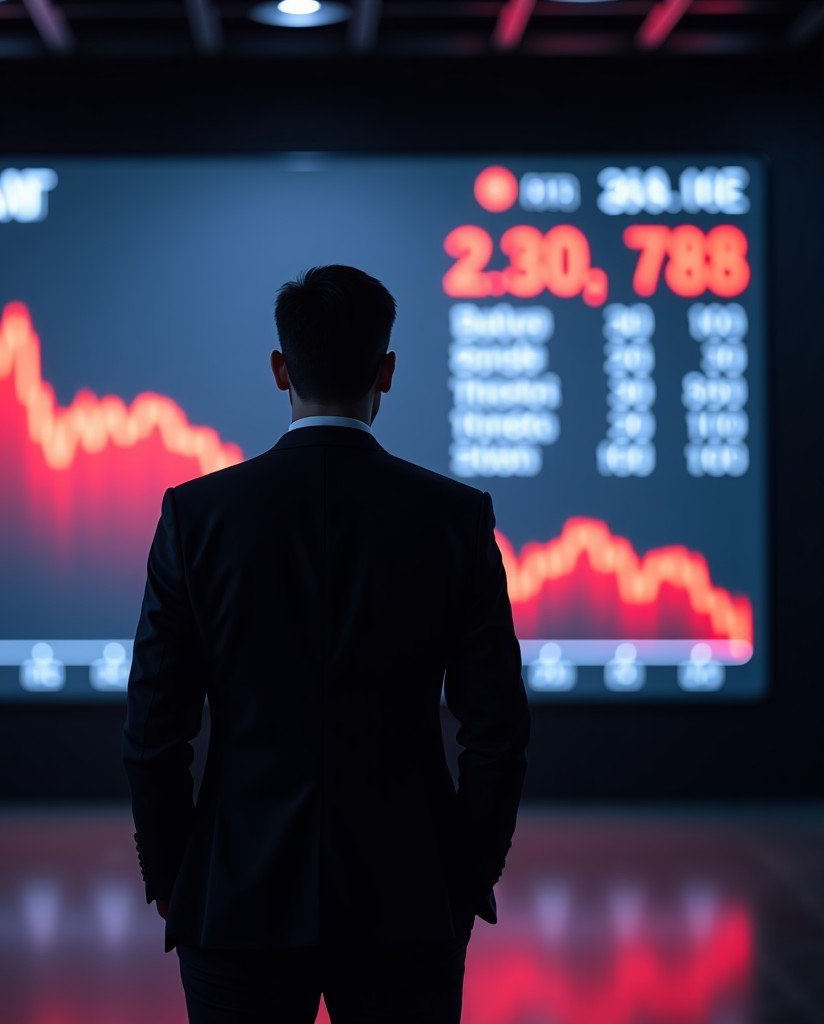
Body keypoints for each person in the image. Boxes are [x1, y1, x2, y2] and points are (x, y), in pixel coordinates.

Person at [122, 264, 531, 1023]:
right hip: (410, 899)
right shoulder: (455, 519)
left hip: (232, 899)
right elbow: (498, 732)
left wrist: (177, 879)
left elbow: (154, 730)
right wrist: (466, 876)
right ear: (387, 371)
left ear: (281, 369)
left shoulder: (196, 516)